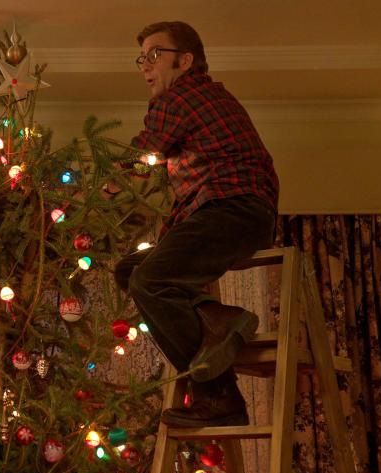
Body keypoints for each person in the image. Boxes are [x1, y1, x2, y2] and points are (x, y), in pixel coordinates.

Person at [110, 21, 279, 428]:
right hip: (237, 214)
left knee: (149, 281)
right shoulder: (206, 98)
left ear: (185, 60)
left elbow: (142, 156)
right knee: (131, 270)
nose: (145, 66)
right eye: (141, 59)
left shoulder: (182, 96)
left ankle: (220, 396)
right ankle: (218, 319)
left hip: (232, 210)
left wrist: (90, 188)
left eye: (155, 55)